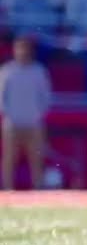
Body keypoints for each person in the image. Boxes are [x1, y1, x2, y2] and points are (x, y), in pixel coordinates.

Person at [0, 37, 52, 190]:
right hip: (12, 124)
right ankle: (7, 190)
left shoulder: (39, 71)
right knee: (9, 159)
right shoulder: (7, 71)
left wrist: (37, 115)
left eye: (25, 48)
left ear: (30, 51)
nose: (22, 52)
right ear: (14, 50)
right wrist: (8, 116)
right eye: (19, 48)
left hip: (34, 124)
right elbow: (1, 97)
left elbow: (46, 96)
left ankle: (38, 190)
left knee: (36, 159)